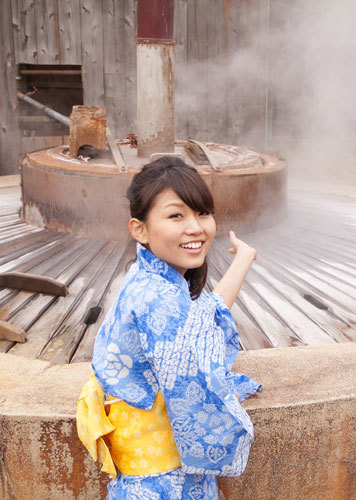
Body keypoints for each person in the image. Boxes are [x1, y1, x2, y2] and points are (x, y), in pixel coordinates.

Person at [77, 156, 262, 500]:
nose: (196, 227)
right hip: (163, 484)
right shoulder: (159, 298)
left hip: (143, 480)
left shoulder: (146, 277)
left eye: (202, 212)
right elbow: (201, 391)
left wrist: (243, 258)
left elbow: (203, 316)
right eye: (176, 215)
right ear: (140, 229)